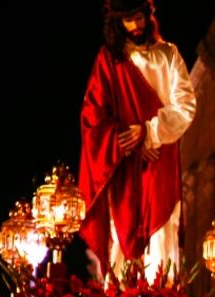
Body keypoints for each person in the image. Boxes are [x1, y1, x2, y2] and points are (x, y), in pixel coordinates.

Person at [79, 0, 196, 281]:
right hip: (123, 168)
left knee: (162, 237)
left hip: (160, 162)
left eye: (139, 17)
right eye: (128, 19)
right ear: (117, 22)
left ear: (148, 14)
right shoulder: (109, 60)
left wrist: (149, 132)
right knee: (121, 241)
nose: (136, 25)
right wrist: (128, 142)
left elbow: (185, 106)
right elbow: (93, 117)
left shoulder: (168, 55)